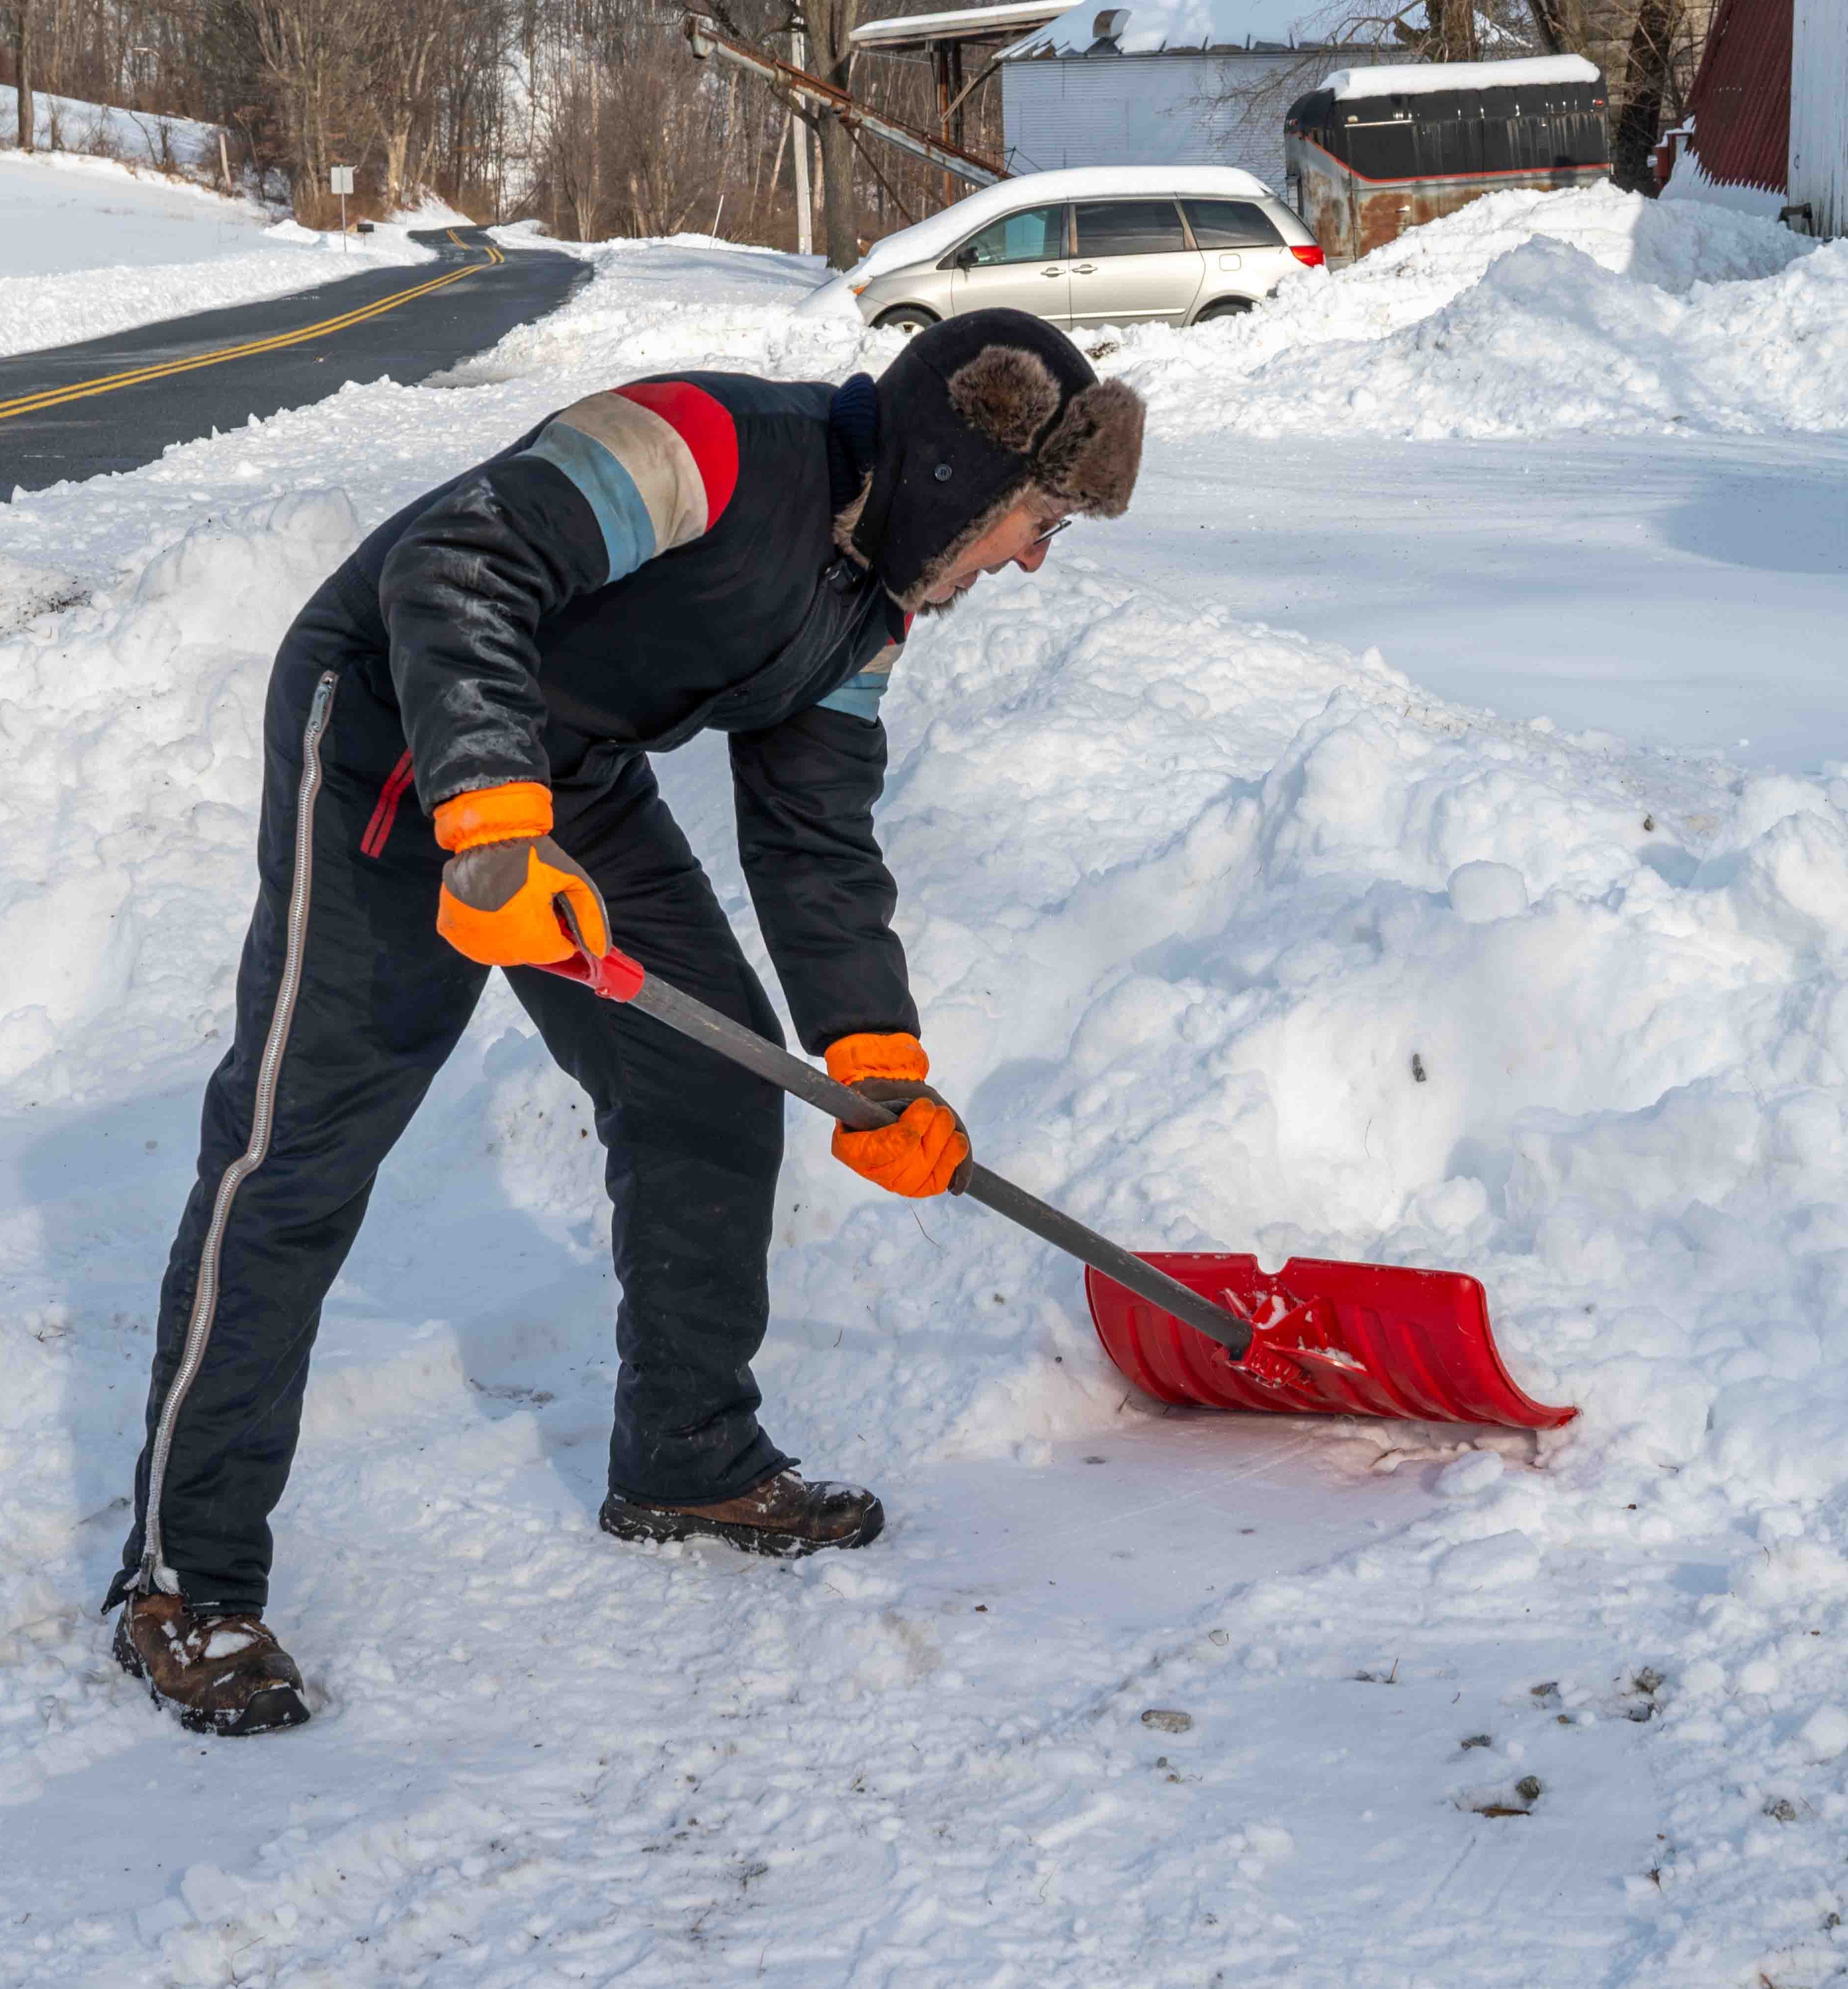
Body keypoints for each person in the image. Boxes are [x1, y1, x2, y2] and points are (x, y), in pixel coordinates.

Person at [101, 309, 1145, 1737]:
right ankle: (184, 1581)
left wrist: (878, 1060)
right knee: (300, 1154)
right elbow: (456, 562)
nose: (1031, 557)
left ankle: (687, 1454)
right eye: (1036, 521)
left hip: (563, 771)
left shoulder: (876, 599)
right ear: (963, 481)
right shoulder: (707, 446)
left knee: (708, 1089)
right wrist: (488, 815)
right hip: (399, 738)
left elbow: (816, 835)